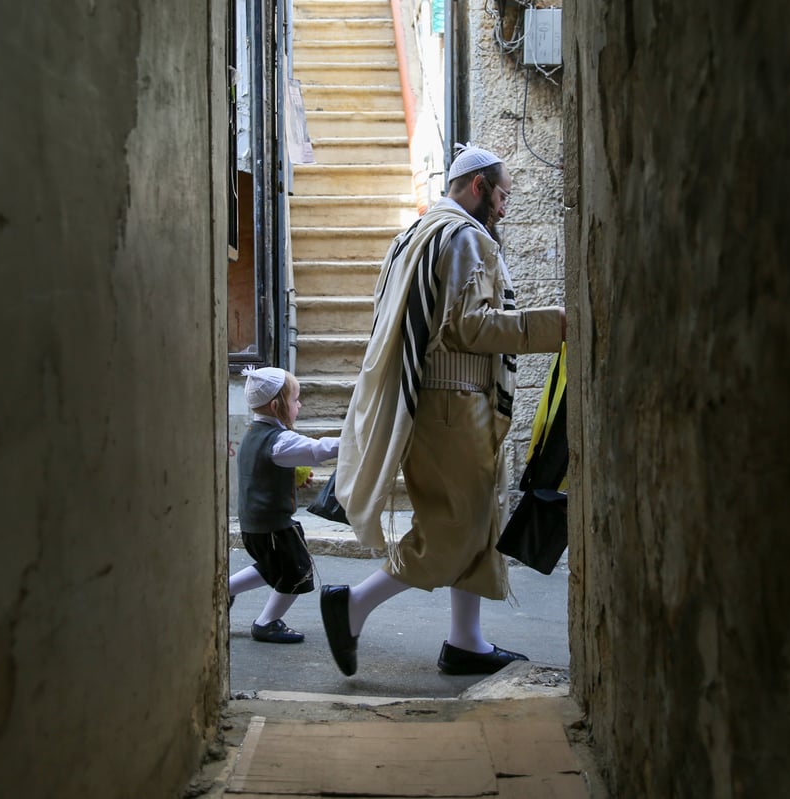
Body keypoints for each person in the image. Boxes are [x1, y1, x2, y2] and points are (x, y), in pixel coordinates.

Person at [322, 144, 566, 676]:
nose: (505, 208)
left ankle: (465, 642)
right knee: (455, 529)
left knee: (475, 525)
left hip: (445, 405)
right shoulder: (465, 237)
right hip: (453, 406)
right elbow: (470, 327)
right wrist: (559, 325)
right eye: (502, 195)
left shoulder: (419, 232)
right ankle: (354, 605)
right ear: (478, 187)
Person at [229, 367, 340, 643]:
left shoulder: (253, 433)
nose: (299, 405)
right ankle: (267, 622)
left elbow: (263, 474)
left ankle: (226, 588)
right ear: (277, 406)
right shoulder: (279, 440)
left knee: (271, 566)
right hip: (275, 526)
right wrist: (355, 440)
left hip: (254, 525)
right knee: (295, 571)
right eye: (295, 400)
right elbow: (317, 449)